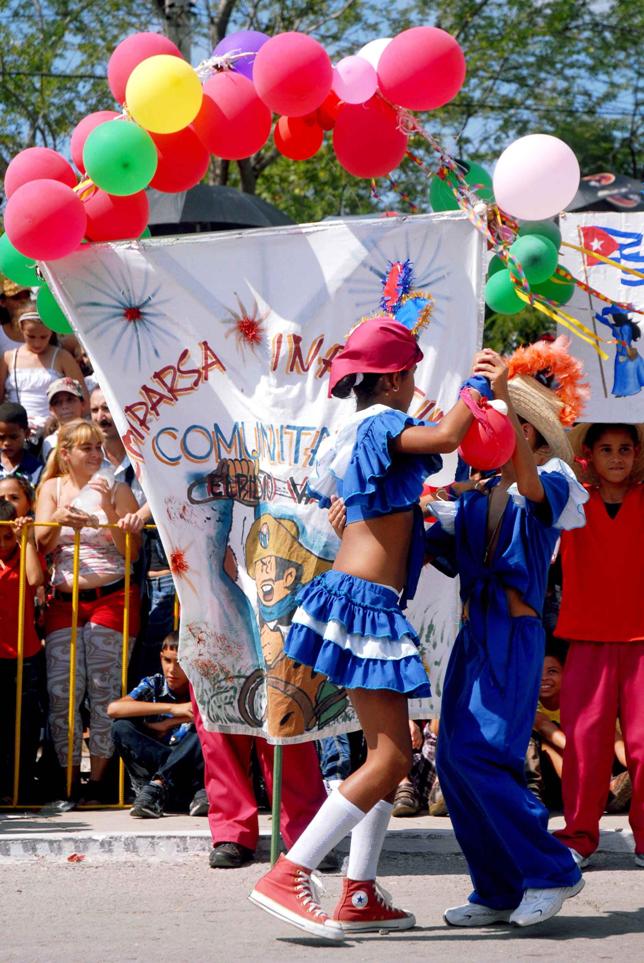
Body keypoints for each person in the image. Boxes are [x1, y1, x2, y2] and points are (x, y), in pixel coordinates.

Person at [250, 315, 481, 940]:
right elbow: (447, 434)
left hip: (360, 601)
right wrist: (478, 386)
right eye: (413, 377)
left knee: (388, 751)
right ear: (399, 377)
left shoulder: (356, 432)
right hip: (365, 605)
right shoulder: (382, 423)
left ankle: (358, 890)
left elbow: (392, 507)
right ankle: (289, 872)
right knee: (392, 756)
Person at [421, 339, 588, 928]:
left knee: (485, 757)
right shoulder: (470, 493)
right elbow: (427, 549)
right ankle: (496, 888)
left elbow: (534, 492)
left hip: (514, 636)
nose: (495, 424)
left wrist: (501, 402)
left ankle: (553, 869)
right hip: (473, 637)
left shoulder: (552, 480)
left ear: (533, 433)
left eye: (513, 420)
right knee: (454, 763)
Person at [35, 419, 141, 803]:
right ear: (66, 454)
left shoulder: (119, 487)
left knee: (103, 691)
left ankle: (98, 783)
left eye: (98, 447)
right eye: (87, 448)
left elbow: (132, 553)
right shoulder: (51, 488)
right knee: (62, 693)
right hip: (63, 603)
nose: (97, 454)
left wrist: (111, 510)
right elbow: (40, 544)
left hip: (112, 598)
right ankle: (66, 783)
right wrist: (59, 516)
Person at [553, 422, 644, 868]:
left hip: (642, 641)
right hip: (586, 640)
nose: (617, 457)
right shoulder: (571, 499)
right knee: (585, 745)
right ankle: (578, 837)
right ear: (587, 453)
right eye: (606, 448)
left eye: (625, 449)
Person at [108, 631, 205, 818]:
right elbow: (114, 708)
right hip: (156, 775)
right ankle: (156, 786)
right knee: (120, 727)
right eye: (167, 661)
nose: (172, 670)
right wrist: (172, 710)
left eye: (180, 663)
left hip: (190, 779)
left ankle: (159, 783)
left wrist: (167, 724)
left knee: (201, 730)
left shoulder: (201, 686)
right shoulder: (156, 684)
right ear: (161, 657)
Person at [0, 498, 45, 802]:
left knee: (24, 726)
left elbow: (35, 579)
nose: (3, 544)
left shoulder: (22, 551)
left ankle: (21, 789)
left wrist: (24, 539)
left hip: (23, 653)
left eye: (6, 536)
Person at [0, 309, 88, 439]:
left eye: (43, 337)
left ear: (51, 332)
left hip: (54, 431)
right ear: (21, 328)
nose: (37, 343)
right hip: (17, 434)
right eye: (31, 336)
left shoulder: (62, 357)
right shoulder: (8, 358)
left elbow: (84, 399)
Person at [595, 307, 644, 398]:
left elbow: (625, 341)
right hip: (620, 353)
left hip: (625, 353)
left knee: (625, 372)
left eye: (610, 316)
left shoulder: (625, 328)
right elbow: (606, 321)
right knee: (620, 372)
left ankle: (623, 391)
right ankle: (621, 391)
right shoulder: (616, 326)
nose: (609, 317)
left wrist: (624, 354)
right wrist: (596, 315)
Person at [41, 377, 85, 463]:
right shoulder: (51, 442)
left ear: (83, 404)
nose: (64, 406)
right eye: (57, 402)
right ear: (51, 410)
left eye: (70, 400)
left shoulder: (96, 434)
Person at [0, 401, 43, 486]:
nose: (7, 443)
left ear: (27, 433)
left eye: (13, 437)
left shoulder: (37, 469)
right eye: (1, 437)